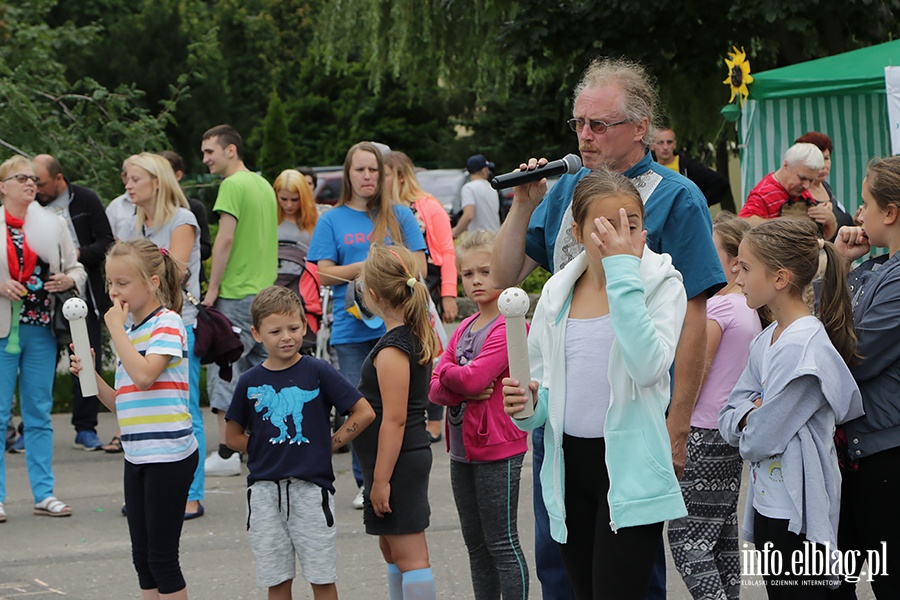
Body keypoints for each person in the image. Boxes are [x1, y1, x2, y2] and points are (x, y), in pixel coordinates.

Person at [491, 57, 725, 600]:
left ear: (640, 127)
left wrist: (680, 420)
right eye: (578, 123)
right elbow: (505, 282)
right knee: (562, 576)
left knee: (627, 580)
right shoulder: (562, 193)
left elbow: (694, 317)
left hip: (632, 424)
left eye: (599, 125)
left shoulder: (675, 197)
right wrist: (523, 205)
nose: (584, 135)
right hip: (564, 429)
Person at [503, 169, 687, 599]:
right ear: (577, 231)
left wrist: (624, 272)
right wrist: (530, 404)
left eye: (632, 225)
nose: (620, 236)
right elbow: (541, 390)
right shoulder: (556, 292)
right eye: (605, 226)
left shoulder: (661, 283)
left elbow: (648, 368)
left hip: (629, 467)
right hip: (569, 469)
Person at [718, 219, 863, 596]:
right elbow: (728, 414)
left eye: (747, 267)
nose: (737, 274)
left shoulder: (804, 346)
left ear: (780, 278)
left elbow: (756, 442)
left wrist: (750, 414)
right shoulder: (767, 337)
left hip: (799, 519)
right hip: (770, 508)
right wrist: (753, 411)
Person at [224, 286, 375, 600]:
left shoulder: (318, 370)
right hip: (264, 494)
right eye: (275, 330)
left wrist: (332, 442)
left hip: (311, 491)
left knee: (322, 577)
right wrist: (263, 446)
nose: (286, 337)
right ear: (257, 333)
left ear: (305, 326)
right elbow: (232, 436)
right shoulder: (249, 381)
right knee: (276, 580)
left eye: (293, 328)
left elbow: (364, 412)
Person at [69, 238, 197, 599]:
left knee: (162, 559)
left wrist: (115, 330)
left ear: (153, 282)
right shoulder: (131, 332)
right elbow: (123, 402)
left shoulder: (168, 324)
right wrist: (91, 373)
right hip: (137, 454)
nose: (114, 291)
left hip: (168, 456)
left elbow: (145, 375)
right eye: (110, 283)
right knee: (142, 560)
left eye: (123, 283)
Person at [308, 141, 427, 509]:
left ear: (383, 173)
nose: (367, 177)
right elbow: (322, 273)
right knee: (359, 409)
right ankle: (365, 481)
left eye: (373, 169)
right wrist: (370, 267)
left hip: (397, 330)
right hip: (351, 331)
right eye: (359, 170)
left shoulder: (400, 215)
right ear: (348, 174)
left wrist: (377, 268)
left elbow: (419, 267)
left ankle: (395, 476)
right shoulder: (331, 219)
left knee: (398, 412)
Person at [429, 230, 530, 600]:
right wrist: (457, 382)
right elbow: (435, 388)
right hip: (461, 451)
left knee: (502, 543)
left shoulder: (510, 325)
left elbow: (473, 378)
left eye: (485, 271)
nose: (476, 281)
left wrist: (453, 377)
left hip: (498, 449)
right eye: (468, 274)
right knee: (476, 546)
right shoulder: (466, 327)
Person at [667, 213, 762, 600]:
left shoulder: (719, 310)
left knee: (687, 540)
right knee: (719, 534)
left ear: (734, 262)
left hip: (702, 434)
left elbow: (695, 374)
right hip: (727, 433)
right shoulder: (746, 307)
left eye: (710, 249)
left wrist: (675, 424)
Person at [0, 156, 86, 522]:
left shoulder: (53, 223)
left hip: (42, 328)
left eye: (33, 178)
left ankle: (45, 493)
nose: (30, 183)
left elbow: (77, 267)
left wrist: (69, 280)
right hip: (3, 331)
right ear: (2, 186)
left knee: (39, 413)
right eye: (20, 178)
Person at [353, 243, 440, 600]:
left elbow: (395, 420)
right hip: (392, 462)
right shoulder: (405, 338)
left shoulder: (392, 350)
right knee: (392, 551)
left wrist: (380, 480)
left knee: (411, 555)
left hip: (398, 464)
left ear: (373, 295)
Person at [831, 156, 900, 596]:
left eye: (864, 204)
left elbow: (851, 354)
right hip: (862, 449)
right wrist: (839, 263)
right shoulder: (876, 268)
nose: (858, 216)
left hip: (886, 452)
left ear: (890, 213)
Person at [126, 153, 206, 519]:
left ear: (157, 181)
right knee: (145, 405)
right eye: (126, 177)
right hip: (140, 325)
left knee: (183, 408)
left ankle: (191, 492)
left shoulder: (182, 220)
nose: (128, 184)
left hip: (177, 321)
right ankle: (150, 488)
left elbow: (172, 276)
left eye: (135, 178)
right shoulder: (135, 222)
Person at [201, 124, 279, 478]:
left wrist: (212, 289)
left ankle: (227, 451)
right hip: (264, 289)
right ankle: (269, 443)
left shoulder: (232, 185)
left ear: (231, 150)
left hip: (235, 290)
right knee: (265, 369)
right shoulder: (262, 184)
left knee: (224, 366)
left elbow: (226, 239)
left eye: (209, 152)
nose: (205, 159)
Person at [33, 153, 114, 451]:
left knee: (84, 357)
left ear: (58, 178)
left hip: (83, 295)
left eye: (40, 182)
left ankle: (86, 427)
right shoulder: (33, 207)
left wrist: (72, 256)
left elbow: (107, 242)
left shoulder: (86, 199)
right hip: (43, 299)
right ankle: (33, 426)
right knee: (41, 363)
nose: (36, 188)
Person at [384, 150, 457, 444]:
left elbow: (447, 250)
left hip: (427, 287)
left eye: (384, 174)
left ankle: (436, 420)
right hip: (394, 292)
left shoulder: (429, 206)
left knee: (431, 353)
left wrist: (450, 294)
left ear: (400, 176)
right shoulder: (383, 210)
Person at [739, 143, 838, 239]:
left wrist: (830, 220)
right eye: (802, 178)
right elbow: (742, 223)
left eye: (811, 180)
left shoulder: (799, 190)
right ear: (786, 165)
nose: (806, 186)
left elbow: (820, 239)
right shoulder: (762, 194)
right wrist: (785, 226)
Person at [651, 128, 735, 211]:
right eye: (660, 143)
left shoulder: (687, 166)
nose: (665, 147)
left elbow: (720, 183)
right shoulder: (648, 170)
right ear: (652, 146)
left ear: (675, 144)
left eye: (669, 142)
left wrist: (699, 203)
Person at [792, 132, 854, 241]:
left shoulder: (825, 186)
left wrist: (856, 222)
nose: (823, 166)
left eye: (826, 158)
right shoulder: (797, 193)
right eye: (818, 159)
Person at [158, 151, 213, 268]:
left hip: (189, 276)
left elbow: (206, 248)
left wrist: (184, 249)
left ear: (178, 175)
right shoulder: (143, 211)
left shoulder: (192, 208)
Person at [453, 154, 500, 237]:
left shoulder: (469, 188)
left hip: (480, 239)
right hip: (495, 236)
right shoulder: (491, 188)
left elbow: (468, 215)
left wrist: (454, 232)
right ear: (484, 170)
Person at [273, 169, 317, 254]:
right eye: (284, 199)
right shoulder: (267, 219)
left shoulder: (318, 218)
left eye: (295, 200)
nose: (289, 205)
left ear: (304, 197)